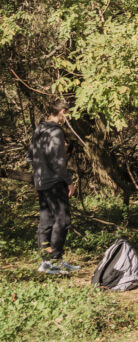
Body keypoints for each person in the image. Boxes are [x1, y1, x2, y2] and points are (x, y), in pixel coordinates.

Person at [26, 100, 80, 274]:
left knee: (46, 221)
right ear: (63, 111)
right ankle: (55, 260)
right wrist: (69, 181)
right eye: (68, 115)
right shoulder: (56, 131)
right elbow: (58, 162)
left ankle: (46, 262)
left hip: (40, 181)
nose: (68, 119)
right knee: (63, 220)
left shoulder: (39, 129)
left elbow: (30, 156)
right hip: (55, 181)